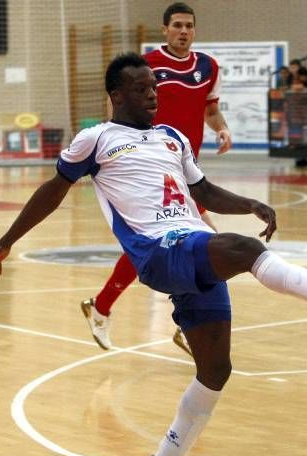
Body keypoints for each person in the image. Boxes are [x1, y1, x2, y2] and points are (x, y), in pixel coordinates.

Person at [0, 53, 307, 456]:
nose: (152, 96)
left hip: (190, 241)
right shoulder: (97, 139)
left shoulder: (172, 138)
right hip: (158, 250)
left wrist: (250, 204)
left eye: (154, 89)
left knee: (216, 368)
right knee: (245, 249)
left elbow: (202, 191)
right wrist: (7, 239)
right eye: (141, 89)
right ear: (116, 95)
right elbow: (53, 191)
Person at [83, 2, 229, 355]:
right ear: (164, 29)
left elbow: (209, 108)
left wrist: (221, 128)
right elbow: (117, 108)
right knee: (205, 246)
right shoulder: (145, 65)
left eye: (189, 26)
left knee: (167, 246)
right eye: (177, 25)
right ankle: (187, 322)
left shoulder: (208, 66)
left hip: (185, 169)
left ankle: (101, 308)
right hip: (149, 167)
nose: (183, 31)